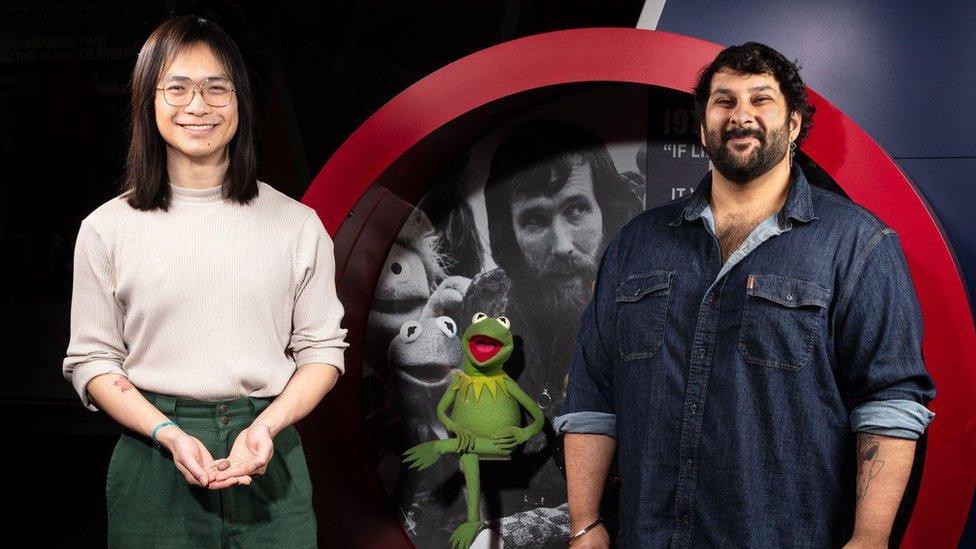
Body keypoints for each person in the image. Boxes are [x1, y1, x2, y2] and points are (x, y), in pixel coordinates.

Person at [555, 42, 935, 548]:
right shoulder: (636, 243)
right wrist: (585, 524)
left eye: (761, 100)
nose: (742, 116)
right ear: (703, 124)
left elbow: (889, 404)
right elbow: (591, 395)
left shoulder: (859, 245)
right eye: (725, 101)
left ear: (794, 123)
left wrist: (868, 540)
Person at [62, 16, 347, 547]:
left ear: (240, 102)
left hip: (269, 447)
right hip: (152, 455)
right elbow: (92, 361)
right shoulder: (106, 229)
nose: (199, 106)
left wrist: (265, 427)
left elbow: (322, 351)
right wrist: (168, 433)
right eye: (177, 87)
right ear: (148, 100)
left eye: (218, 87)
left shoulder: (296, 224)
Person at [454, 119, 641, 543]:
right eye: (535, 219)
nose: (561, 244)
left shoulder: (644, 298)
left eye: (576, 209)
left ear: (604, 210)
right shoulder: (487, 301)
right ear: (510, 232)